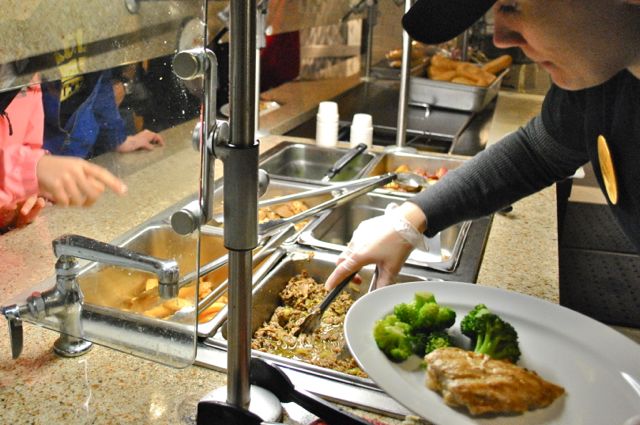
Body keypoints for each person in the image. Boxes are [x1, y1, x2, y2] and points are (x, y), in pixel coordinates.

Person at [325, 0, 640, 290]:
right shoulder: (603, 82)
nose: (501, 38)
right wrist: (410, 219)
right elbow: (537, 152)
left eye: (511, 5)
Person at [1, 77, 127, 233]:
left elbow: (29, 146)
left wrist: (21, 199)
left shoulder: (30, 76)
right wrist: (30, 170)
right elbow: (28, 164)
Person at [42, 68, 164, 159]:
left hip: (79, 152)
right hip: (38, 163)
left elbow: (100, 83)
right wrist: (32, 171)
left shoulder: (90, 38)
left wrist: (116, 139)